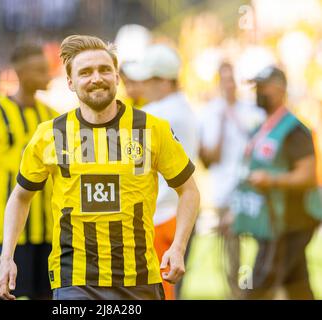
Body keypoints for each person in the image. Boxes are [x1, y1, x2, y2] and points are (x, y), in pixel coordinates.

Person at [0, 35, 200, 300]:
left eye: (105, 70)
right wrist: (7, 257)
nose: (97, 78)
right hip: (74, 279)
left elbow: (190, 191)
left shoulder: (152, 129)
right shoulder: (50, 135)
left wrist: (178, 246)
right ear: (70, 82)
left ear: (117, 77)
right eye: (85, 72)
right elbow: (20, 197)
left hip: (139, 278)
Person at [0, 43, 56, 300]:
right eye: (40, 70)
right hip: (3, 237)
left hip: (48, 237)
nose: (47, 76)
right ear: (21, 73)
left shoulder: (53, 117)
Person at [231, 66, 321, 299]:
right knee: (297, 284)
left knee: (260, 282)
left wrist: (271, 180)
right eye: (256, 88)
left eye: (263, 87)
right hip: (273, 220)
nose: (257, 93)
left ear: (280, 89)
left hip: (293, 220)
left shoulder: (294, 130)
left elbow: (308, 175)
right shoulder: (261, 128)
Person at [122, 44, 199, 300]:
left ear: (164, 81)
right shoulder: (184, 109)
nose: (139, 86)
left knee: (154, 292)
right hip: (176, 213)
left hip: (159, 217)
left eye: (147, 80)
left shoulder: (155, 115)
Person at [198, 62, 264, 297]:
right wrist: (223, 123)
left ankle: (257, 286)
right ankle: (236, 291)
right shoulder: (210, 113)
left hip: (251, 188)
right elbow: (208, 159)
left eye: (231, 79)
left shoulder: (253, 111)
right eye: (223, 79)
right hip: (223, 189)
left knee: (260, 241)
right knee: (231, 246)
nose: (228, 85)